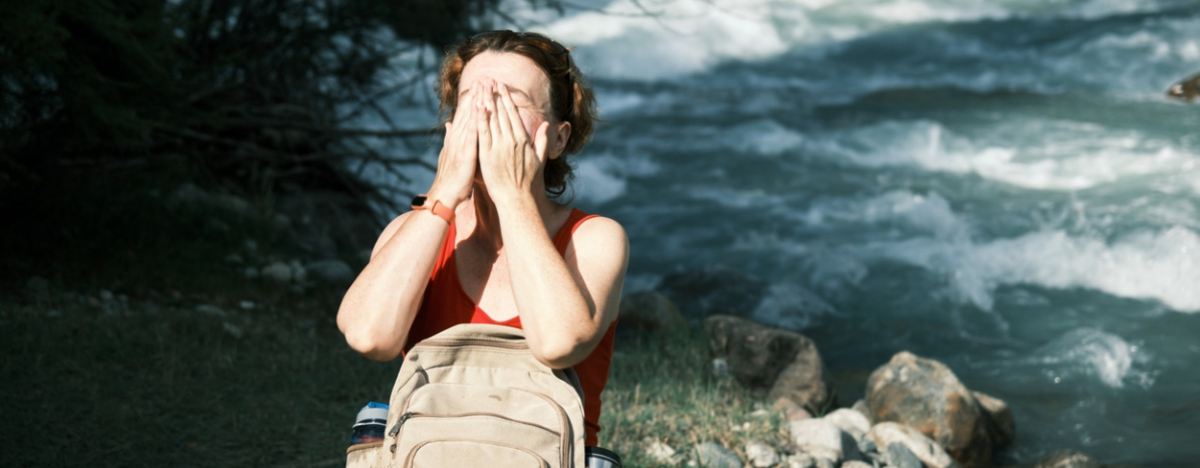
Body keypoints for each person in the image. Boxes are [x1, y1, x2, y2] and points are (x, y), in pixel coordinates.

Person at [336, 30, 629, 452]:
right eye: (473, 97)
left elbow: (557, 343)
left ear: (558, 139)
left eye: (510, 99)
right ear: (452, 127)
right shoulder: (415, 230)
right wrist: (442, 195)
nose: (488, 111)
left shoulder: (596, 239)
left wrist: (512, 195)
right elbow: (369, 336)